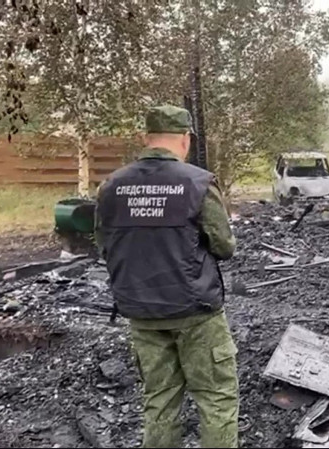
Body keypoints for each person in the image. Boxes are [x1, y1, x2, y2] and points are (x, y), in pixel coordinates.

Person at [94, 105, 238, 448]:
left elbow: (103, 246)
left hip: (141, 311)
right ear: (186, 139)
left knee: (159, 401)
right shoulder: (199, 183)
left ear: (146, 138)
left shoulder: (110, 187)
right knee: (216, 399)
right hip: (196, 312)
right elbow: (224, 246)